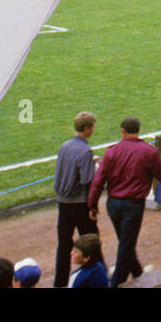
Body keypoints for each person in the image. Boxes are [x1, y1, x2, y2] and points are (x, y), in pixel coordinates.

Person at [87, 117, 161, 288]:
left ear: (123, 131)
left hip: (113, 204)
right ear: (138, 130)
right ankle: (117, 283)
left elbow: (98, 181)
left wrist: (92, 205)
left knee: (126, 242)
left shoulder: (112, 151)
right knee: (126, 244)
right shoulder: (149, 151)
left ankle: (138, 273)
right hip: (133, 206)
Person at [53, 111, 99, 287]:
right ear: (87, 128)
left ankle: (60, 282)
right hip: (79, 203)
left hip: (63, 203)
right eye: (92, 126)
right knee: (91, 242)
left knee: (64, 244)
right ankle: (97, 277)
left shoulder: (65, 146)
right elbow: (87, 180)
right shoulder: (86, 150)